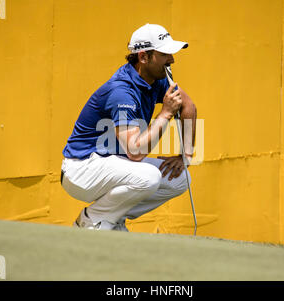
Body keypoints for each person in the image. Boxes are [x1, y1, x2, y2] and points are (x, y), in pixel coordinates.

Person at [60, 23, 197, 231]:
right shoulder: (121, 91)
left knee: (181, 177)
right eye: (165, 54)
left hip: (112, 162)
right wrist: (166, 113)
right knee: (149, 177)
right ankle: (93, 220)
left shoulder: (155, 80)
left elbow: (189, 106)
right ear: (143, 57)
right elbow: (135, 152)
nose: (172, 60)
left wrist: (185, 155)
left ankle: (112, 218)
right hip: (82, 168)